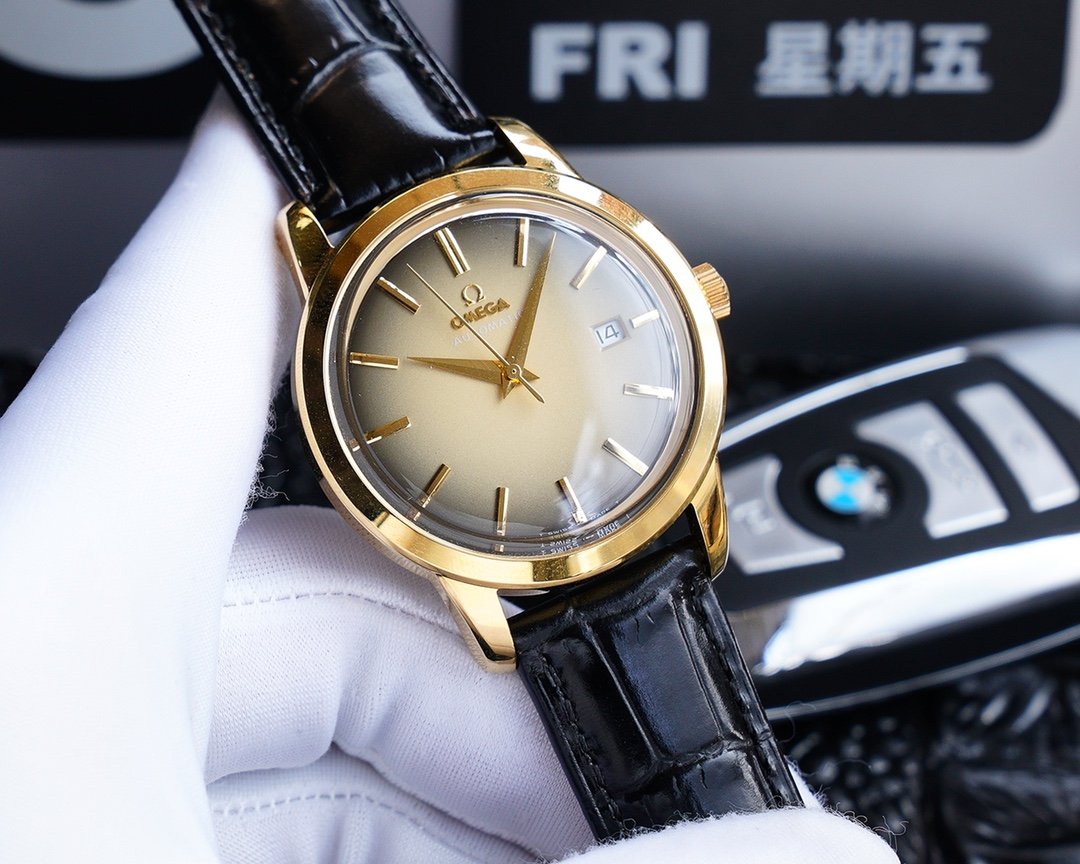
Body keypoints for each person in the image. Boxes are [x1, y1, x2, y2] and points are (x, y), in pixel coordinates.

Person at [0, 95, 901, 864]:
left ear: (691, 294)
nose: (513, 374)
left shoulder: (529, 173)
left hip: (641, 504)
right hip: (515, 557)